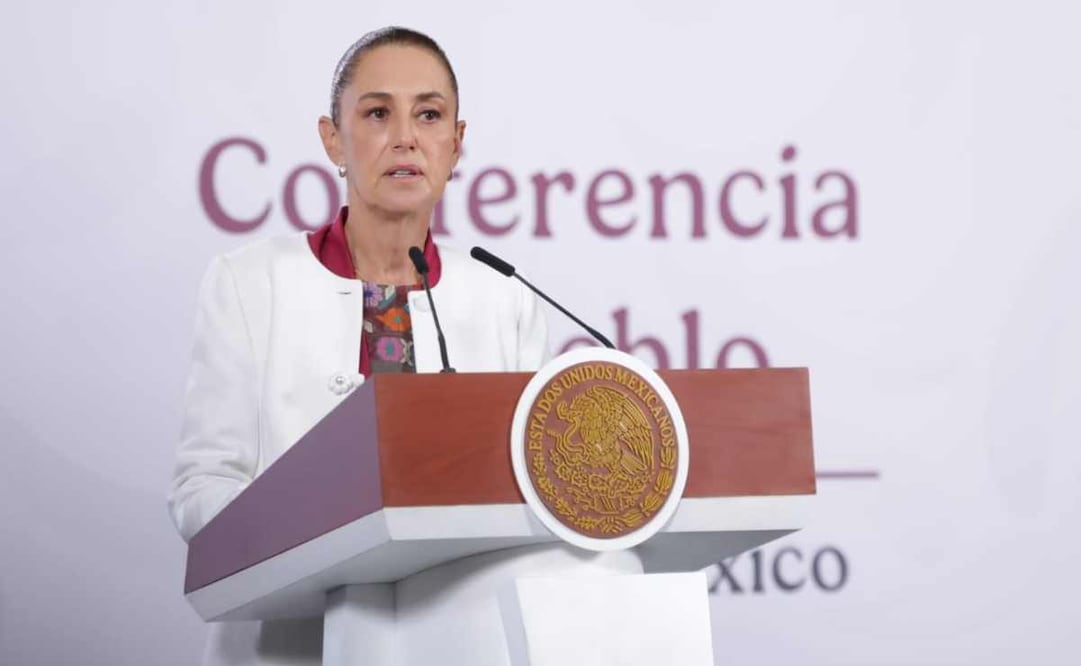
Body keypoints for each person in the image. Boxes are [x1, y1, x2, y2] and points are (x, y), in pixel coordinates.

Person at [168, 27, 637, 666]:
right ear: (333, 138)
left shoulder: (505, 298)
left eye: (429, 114)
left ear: (456, 142)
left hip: (467, 640)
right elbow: (204, 488)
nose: (406, 138)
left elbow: (534, 495)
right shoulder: (250, 282)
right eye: (378, 113)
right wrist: (308, 540)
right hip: (289, 642)